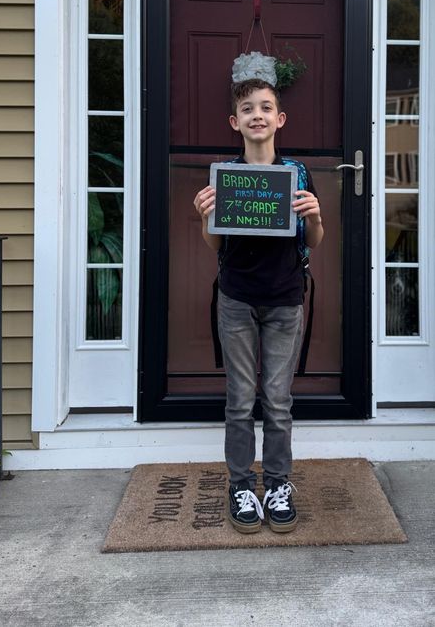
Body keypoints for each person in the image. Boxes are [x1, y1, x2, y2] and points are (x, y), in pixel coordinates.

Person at [193, 53, 323, 535]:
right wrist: (205, 217)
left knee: (279, 398)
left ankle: (279, 483)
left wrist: (314, 217)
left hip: (287, 298)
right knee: (240, 398)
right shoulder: (226, 175)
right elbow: (216, 245)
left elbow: (312, 243)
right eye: (248, 109)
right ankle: (242, 485)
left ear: (279, 118)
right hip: (237, 299)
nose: (258, 116)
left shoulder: (298, 174)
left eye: (266, 107)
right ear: (236, 121)